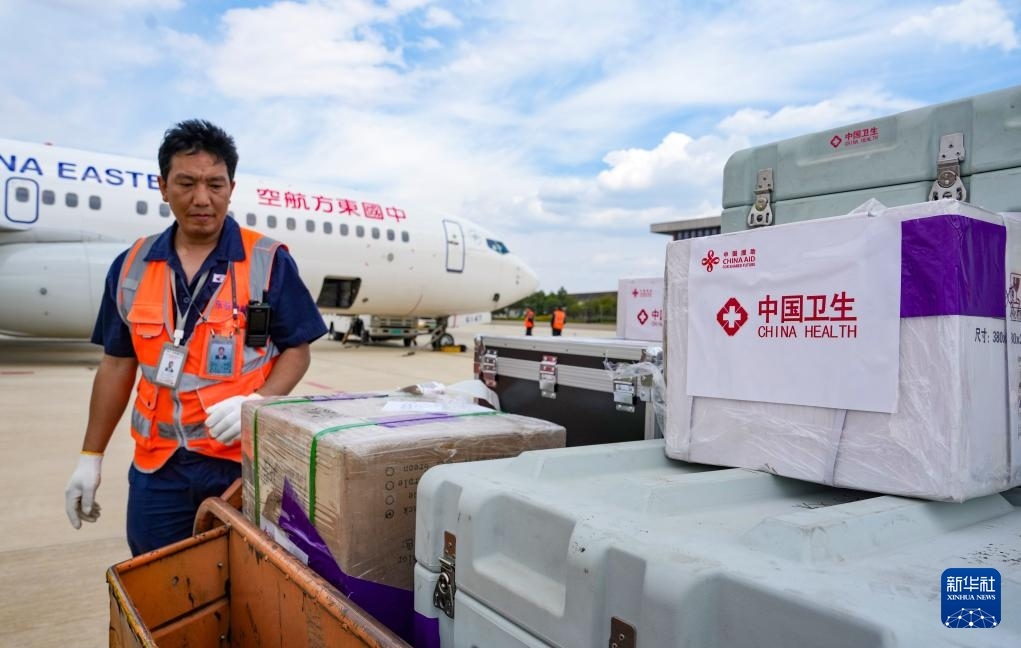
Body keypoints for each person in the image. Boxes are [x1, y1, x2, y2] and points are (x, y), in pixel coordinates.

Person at [64, 119, 328, 556]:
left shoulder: (268, 261)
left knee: (245, 579)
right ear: (163, 187)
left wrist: (258, 401)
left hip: (240, 464)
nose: (202, 198)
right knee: (158, 575)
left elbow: (296, 351)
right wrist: (90, 456)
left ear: (231, 188)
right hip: (158, 467)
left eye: (215, 185)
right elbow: (116, 364)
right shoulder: (130, 267)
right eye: (186, 183)